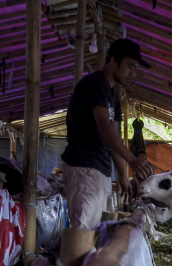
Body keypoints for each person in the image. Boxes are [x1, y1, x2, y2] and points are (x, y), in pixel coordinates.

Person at [60, 38, 154, 229]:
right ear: (113, 61)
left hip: (100, 170)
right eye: (130, 66)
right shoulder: (95, 83)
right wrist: (132, 160)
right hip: (84, 166)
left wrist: (122, 174)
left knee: (93, 231)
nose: (133, 73)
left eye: (135, 68)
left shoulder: (113, 97)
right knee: (84, 232)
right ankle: (74, 259)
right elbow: (104, 127)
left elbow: (114, 138)